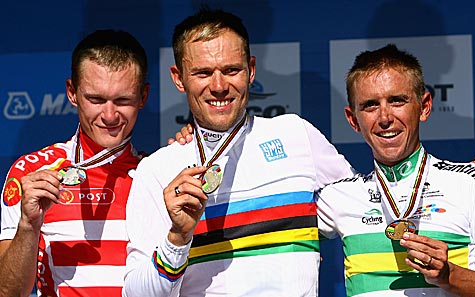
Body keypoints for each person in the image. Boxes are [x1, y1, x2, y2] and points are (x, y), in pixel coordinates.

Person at [122, 8, 356, 296]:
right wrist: (178, 238)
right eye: (203, 73)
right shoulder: (157, 171)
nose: (219, 86)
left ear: (251, 70)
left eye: (231, 70)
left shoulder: (297, 136)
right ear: (178, 77)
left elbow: (360, 213)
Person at [316, 44, 475, 296]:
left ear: (425, 106)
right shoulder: (336, 198)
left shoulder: (474, 183)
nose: (385, 117)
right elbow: (267, 235)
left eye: (397, 100)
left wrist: (449, 276)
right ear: (353, 119)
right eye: (370, 105)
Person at [0, 30, 149, 296]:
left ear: (143, 97)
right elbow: (8, 292)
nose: (110, 115)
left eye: (122, 100)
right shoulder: (32, 172)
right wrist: (28, 226)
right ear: (72, 93)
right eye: (96, 99)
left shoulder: (158, 174)